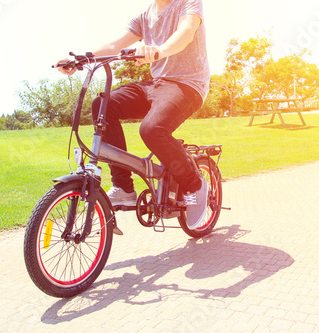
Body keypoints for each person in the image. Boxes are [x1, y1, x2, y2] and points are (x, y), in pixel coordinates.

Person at [55, 0, 210, 230]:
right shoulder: (145, 16)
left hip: (188, 84)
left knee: (152, 130)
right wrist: (81, 58)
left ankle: (195, 186)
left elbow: (186, 32)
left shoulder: (187, 2)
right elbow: (115, 44)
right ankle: (124, 188)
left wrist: (159, 50)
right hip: (157, 84)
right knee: (103, 105)